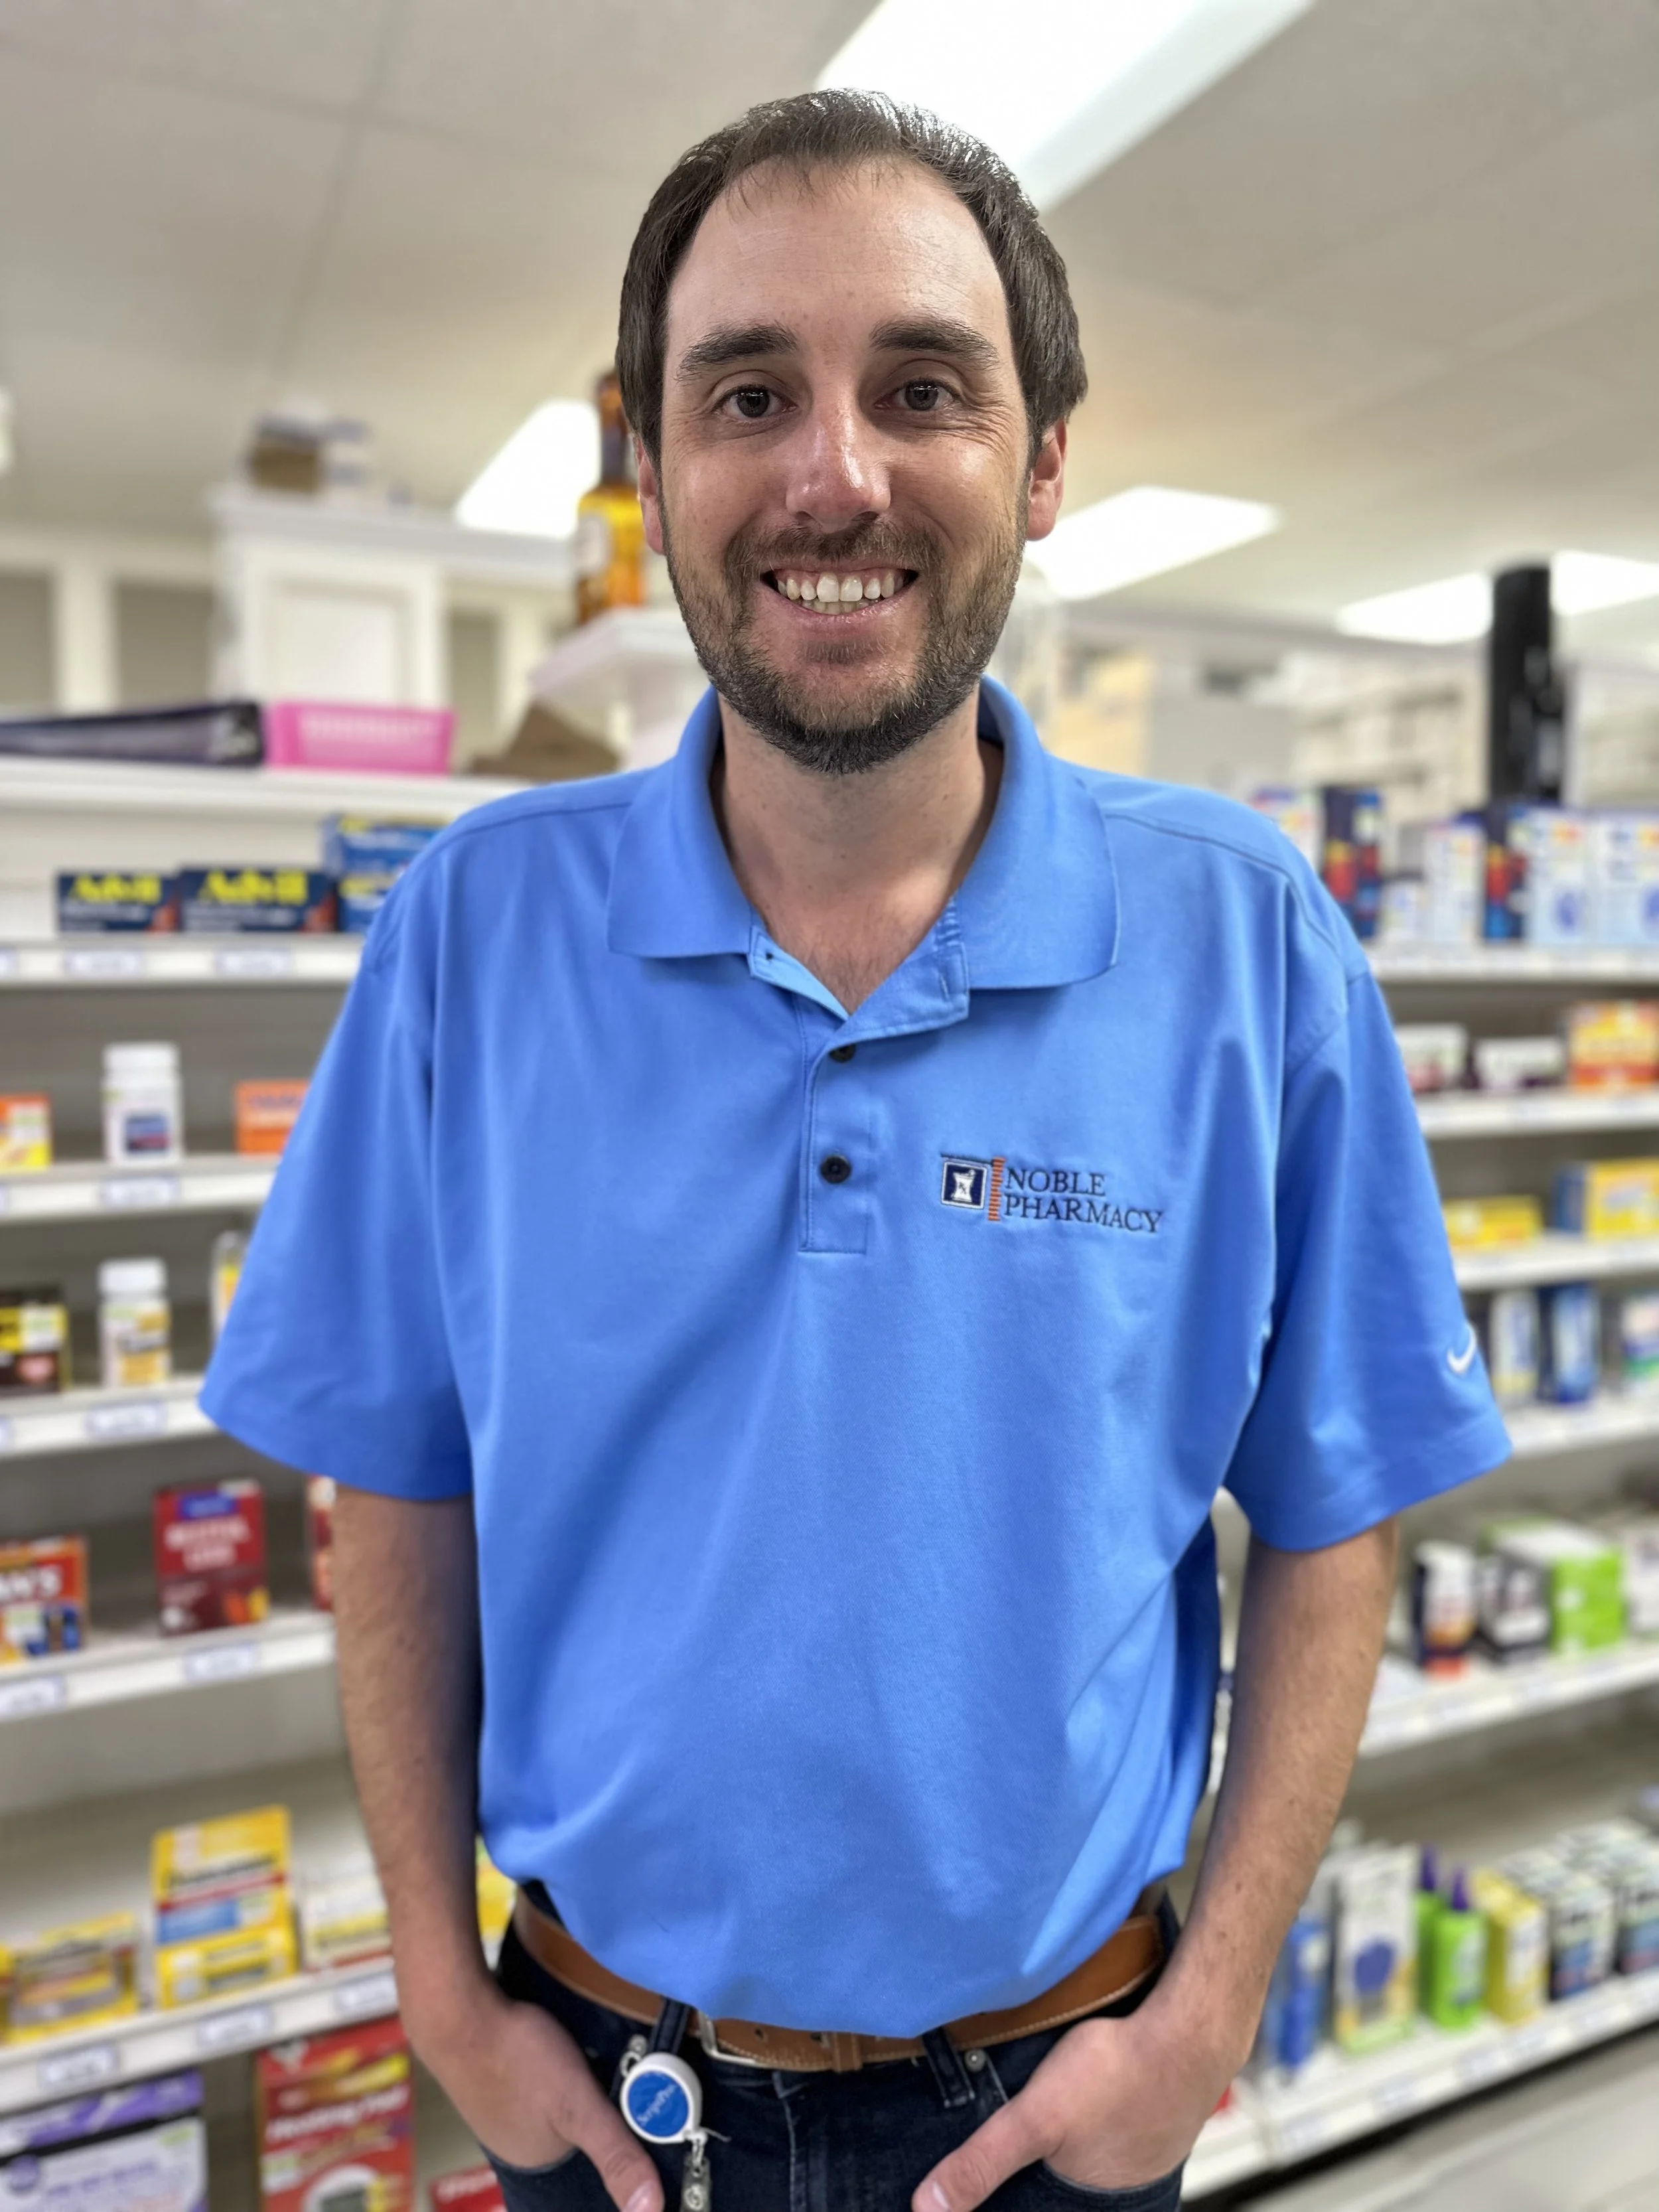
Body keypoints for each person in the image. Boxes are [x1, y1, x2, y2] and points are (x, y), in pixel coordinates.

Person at [204, 89, 1508, 2212]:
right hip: (604, 2095)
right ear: (649, 466)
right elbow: (397, 1479)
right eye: (747, 394)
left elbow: (1335, 1499)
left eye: (922, 387)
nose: (834, 473)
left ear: (1043, 459)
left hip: (1052, 2105)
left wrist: (1205, 2014)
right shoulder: (472, 934)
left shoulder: (1244, 938)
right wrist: (438, 1987)